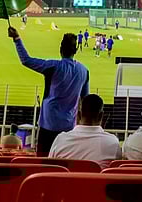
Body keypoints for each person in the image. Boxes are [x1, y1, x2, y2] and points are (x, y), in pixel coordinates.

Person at [8, 27, 89, 155]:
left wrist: (17, 39)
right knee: (64, 161)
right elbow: (86, 100)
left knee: (43, 160)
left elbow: (26, 60)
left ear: (60, 49)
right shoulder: (84, 71)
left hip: (48, 125)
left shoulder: (53, 66)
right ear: (76, 50)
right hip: (69, 127)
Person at [48, 93, 123, 167]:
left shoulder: (60, 140)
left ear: (79, 115)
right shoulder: (113, 143)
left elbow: (50, 170)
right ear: (101, 116)